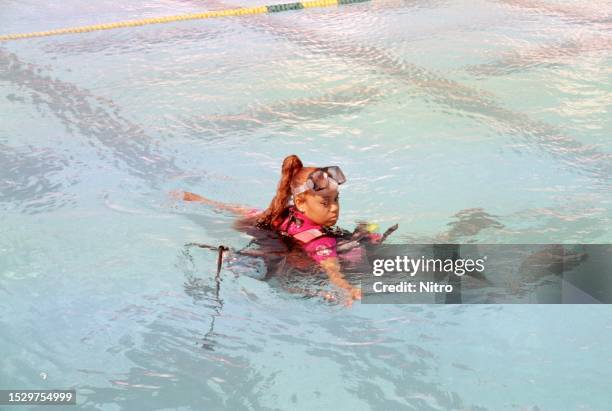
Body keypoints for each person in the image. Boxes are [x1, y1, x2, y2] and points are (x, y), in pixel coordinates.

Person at [173, 155, 384, 306]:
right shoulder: (319, 240)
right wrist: (345, 288)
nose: (334, 208)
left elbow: (235, 210)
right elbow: (331, 268)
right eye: (325, 202)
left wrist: (197, 199)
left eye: (336, 199)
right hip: (282, 275)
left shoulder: (276, 214)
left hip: (260, 255)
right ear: (300, 201)